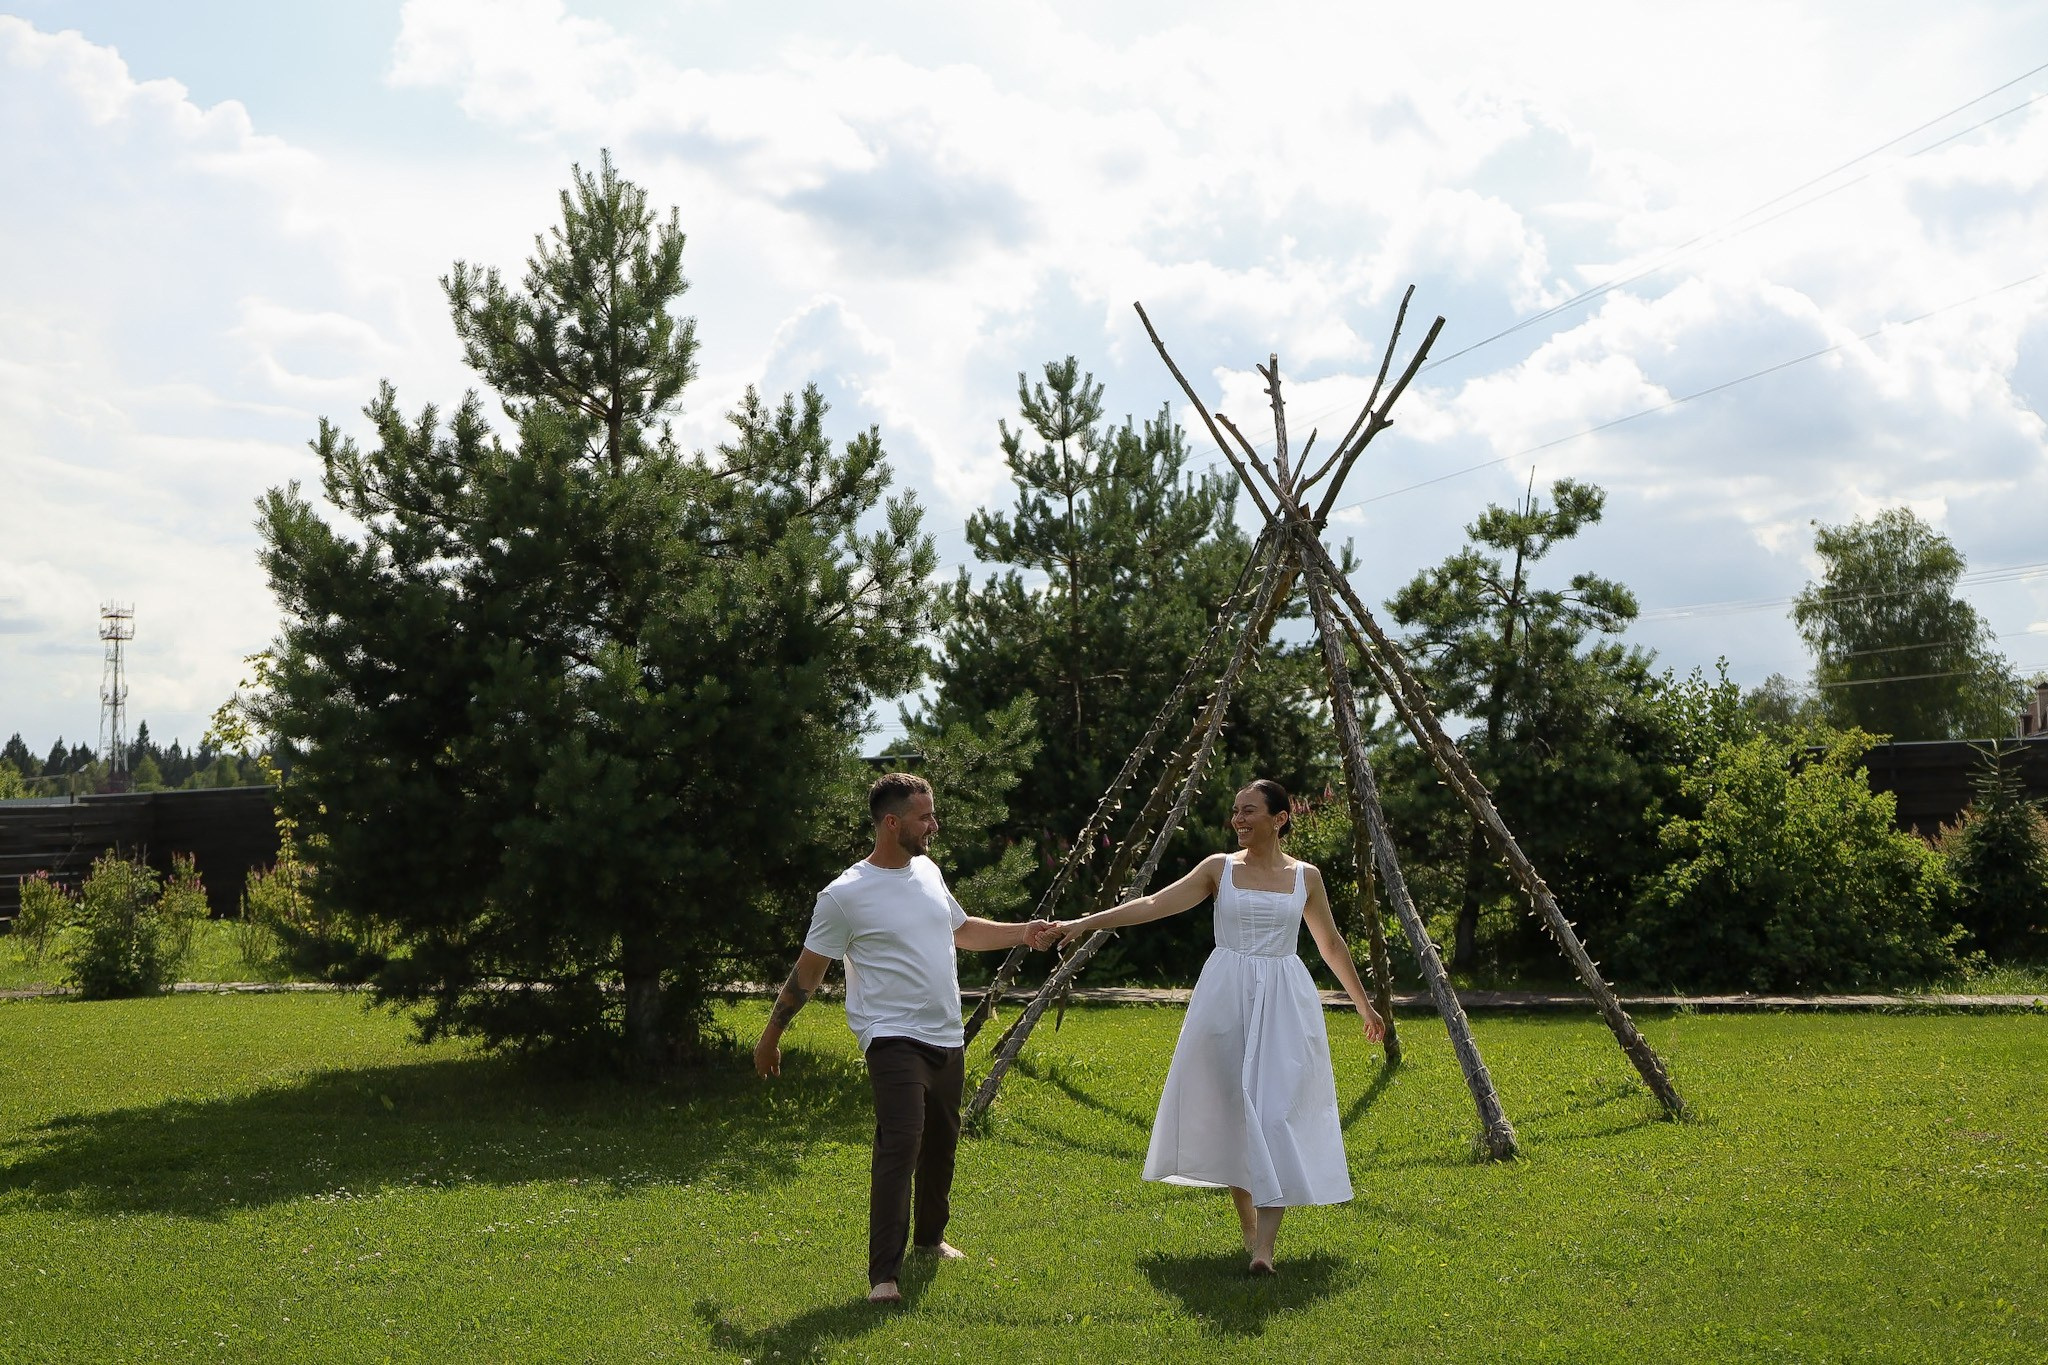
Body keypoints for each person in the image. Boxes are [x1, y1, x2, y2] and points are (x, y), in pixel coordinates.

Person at [1051, 778, 1385, 1275]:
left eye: (1249, 811)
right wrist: (1084, 923)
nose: (1238, 820)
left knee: (1276, 1113)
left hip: (1284, 999)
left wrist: (1364, 1006)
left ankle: (1265, 1249)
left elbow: (1330, 944)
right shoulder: (1218, 868)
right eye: (1235, 811)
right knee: (1234, 1109)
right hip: (1226, 996)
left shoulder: (1306, 877)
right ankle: (1250, 1230)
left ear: (1280, 818)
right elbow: (1153, 904)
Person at [754, 772, 1054, 1305]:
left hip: (945, 1031)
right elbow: (809, 972)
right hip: (890, 1034)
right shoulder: (844, 896)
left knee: (941, 1141)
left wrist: (1022, 933)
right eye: (925, 817)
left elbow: (961, 929)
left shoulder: (928, 872)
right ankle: (884, 1276)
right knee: (902, 1141)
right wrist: (771, 1034)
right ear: (892, 823)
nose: (934, 825)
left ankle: (930, 1240)